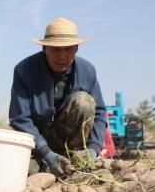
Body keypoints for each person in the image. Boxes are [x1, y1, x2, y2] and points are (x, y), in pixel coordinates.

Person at [9, 17, 107, 176]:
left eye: (68, 49)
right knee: (22, 171)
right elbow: (19, 118)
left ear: (76, 48)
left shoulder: (87, 71)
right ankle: (45, 164)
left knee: (84, 101)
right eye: (55, 49)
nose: (62, 56)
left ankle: (72, 161)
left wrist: (93, 149)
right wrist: (45, 152)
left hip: (68, 141)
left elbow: (101, 111)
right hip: (36, 142)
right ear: (44, 49)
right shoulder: (25, 70)